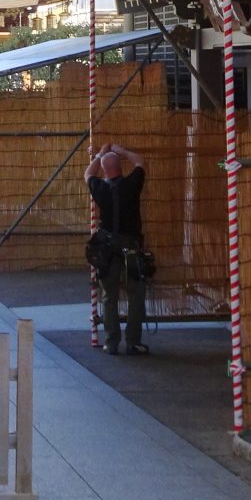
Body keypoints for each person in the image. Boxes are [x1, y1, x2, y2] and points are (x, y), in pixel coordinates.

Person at [85, 141, 148, 355]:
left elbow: (88, 174)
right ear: (121, 167)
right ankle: (133, 341)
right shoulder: (132, 184)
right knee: (136, 294)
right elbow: (139, 161)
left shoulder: (100, 189)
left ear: (104, 170)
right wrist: (122, 151)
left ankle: (111, 342)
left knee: (108, 295)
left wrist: (99, 155)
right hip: (131, 245)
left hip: (108, 248)